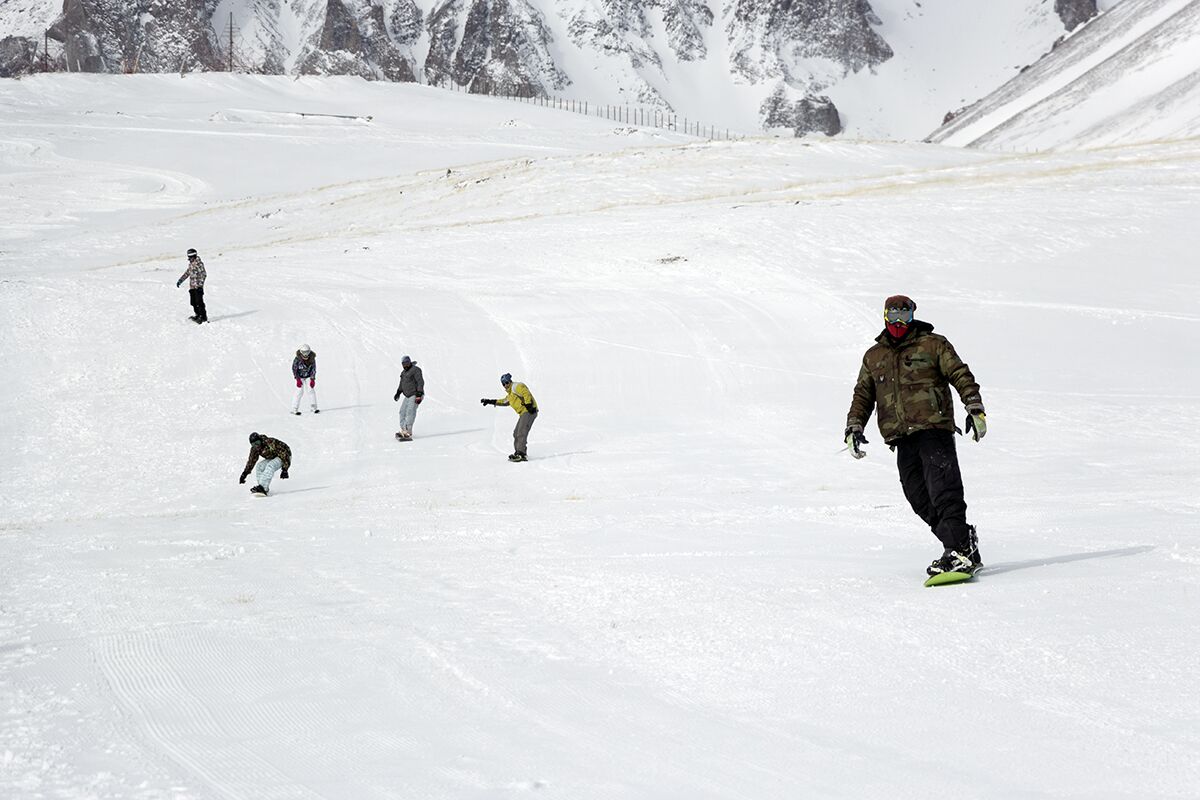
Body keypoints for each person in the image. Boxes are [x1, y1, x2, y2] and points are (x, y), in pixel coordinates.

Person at [844, 295, 987, 577]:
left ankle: (957, 549)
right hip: (900, 436)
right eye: (894, 314)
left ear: (913, 316)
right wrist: (854, 426)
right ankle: (962, 544)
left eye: (905, 315)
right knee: (918, 496)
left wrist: (974, 407)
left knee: (943, 490)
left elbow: (960, 373)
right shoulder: (875, 356)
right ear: (885, 316)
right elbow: (863, 394)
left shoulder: (933, 344)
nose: (899, 321)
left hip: (933, 429)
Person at [481, 373, 538, 461]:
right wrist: (490, 401)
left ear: (510, 381)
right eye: (503, 384)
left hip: (529, 411)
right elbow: (504, 401)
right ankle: (518, 452)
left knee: (521, 432)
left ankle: (521, 454)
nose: (505, 385)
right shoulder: (511, 394)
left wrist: (529, 405)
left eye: (506, 382)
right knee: (516, 433)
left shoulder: (516, 386)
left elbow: (526, 393)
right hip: (523, 413)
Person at [239, 432, 291, 496]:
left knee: (270, 465)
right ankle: (262, 488)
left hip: (285, 456)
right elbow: (251, 461)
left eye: (257, 443)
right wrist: (244, 474)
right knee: (259, 466)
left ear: (260, 440)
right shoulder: (255, 449)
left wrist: (285, 469)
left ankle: (263, 487)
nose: (256, 445)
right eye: (253, 444)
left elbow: (284, 453)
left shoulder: (269, 442)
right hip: (273, 456)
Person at [392, 355, 424, 440]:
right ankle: (403, 430)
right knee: (402, 412)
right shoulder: (403, 373)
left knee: (410, 411)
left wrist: (419, 394)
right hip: (408, 395)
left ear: (410, 362)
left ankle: (408, 431)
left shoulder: (416, 370)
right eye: (403, 363)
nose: (405, 365)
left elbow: (420, 381)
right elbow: (401, 383)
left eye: (407, 363)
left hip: (415, 394)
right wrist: (398, 392)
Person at [175, 248, 207, 323]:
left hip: (198, 287)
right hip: (192, 287)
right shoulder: (191, 264)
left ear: (194, 256)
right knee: (193, 302)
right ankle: (197, 315)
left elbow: (204, 275)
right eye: (188, 257)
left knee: (199, 302)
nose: (189, 259)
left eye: (190, 257)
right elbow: (187, 273)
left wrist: (200, 285)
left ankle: (203, 317)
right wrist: (180, 280)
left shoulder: (199, 264)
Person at [291, 344, 319, 415]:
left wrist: (312, 379)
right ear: (301, 352)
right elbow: (294, 369)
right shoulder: (297, 359)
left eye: (307, 352)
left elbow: (313, 369)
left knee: (311, 390)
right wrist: (297, 379)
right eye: (303, 352)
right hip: (300, 377)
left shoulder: (312, 359)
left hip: (308, 376)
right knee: (299, 391)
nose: (305, 355)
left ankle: (313, 407)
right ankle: (294, 408)